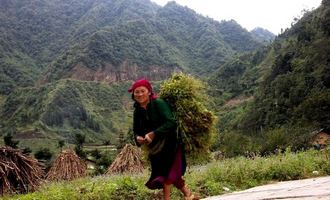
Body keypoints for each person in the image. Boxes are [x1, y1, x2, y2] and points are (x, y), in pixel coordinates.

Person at [128, 79, 197, 200]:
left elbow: (171, 122)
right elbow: (136, 130)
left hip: (171, 144)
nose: (139, 94)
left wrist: (154, 133)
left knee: (167, 173)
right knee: (171, 173)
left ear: (149, 92)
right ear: (133, 94)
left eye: (142, 91)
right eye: (136, 92)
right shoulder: (137, 112)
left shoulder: (159, 104)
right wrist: (138, 138)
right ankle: (189, 195)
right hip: (155, 148)